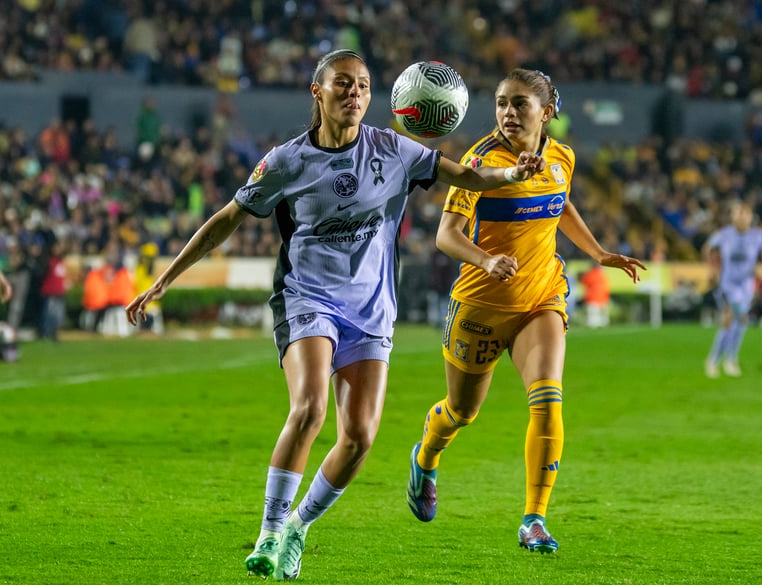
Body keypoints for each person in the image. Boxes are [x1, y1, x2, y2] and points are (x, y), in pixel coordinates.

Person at [124, 49, 544, 581]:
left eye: (364, 86)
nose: (354, 93)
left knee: (361, 437)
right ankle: (269, 533)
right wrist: (166, 276)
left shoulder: (395, 149)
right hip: (307, 299)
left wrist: (510, 174)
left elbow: (467, 176)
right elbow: (227, 217)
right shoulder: (285, 161)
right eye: (343, 84)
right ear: (317, 92)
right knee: (308, 408)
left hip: (370, 310)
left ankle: (298, 528)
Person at [406, 69, 646, 554]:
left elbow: (560, 204)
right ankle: (426, 455)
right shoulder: (479, 162)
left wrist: (598, 252)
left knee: (547, 399)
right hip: (481, 304)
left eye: (519, 104)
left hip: (541, 298)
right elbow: (446, 235)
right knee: (461, 412)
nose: (508, 113)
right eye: (500, 103)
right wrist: (486, 259)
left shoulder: (562, 156)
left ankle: (534, 520)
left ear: (547, 112)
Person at [702, 200, 762, 378]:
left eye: (744, 214)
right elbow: (708, 247)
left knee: (741, 321)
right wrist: (711, 269)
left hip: (746, 285)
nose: (741, 218)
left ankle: (730, 359)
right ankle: (713, 361)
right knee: (729, 318)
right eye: (737, 214)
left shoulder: (758, 235)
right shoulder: (725, 234)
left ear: (750, 217)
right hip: (728, 283)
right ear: (733, 217)